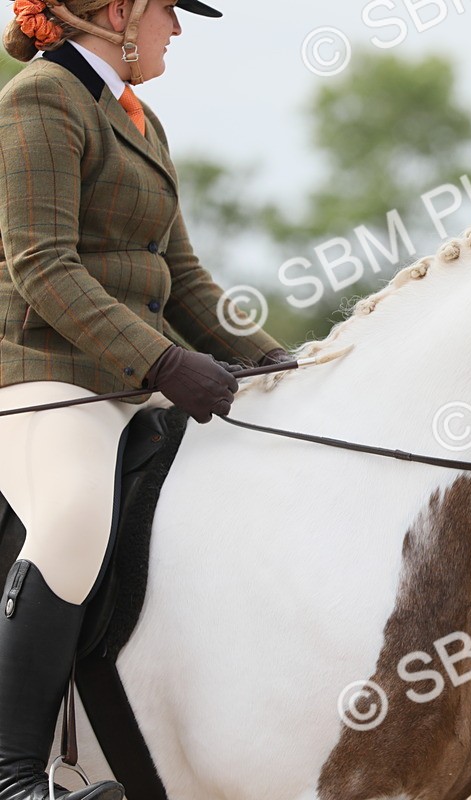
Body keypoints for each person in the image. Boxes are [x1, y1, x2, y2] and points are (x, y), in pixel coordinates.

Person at [0, 1, 287, 797]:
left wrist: (281, 362)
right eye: (168, 10)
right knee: (72, 517)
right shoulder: (39, 98)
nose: (179, 29)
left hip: (135, 382)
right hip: (46, 377)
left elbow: (185, 278)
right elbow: (43, 265)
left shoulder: (139, 118)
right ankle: (14, 776)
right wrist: (165, 362)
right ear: (118, 12)